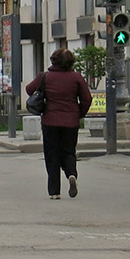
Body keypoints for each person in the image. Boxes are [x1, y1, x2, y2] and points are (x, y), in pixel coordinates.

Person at [26, 48, 92, 200]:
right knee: (68, 151)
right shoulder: (76, 77)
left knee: (52, 155)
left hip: (50, 121)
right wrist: (79, 113)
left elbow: (29, 89)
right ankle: (71, 174)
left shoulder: (46, 76)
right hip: (71, 122)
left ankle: (54, 191)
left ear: (53, 60)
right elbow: (87, 99)